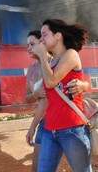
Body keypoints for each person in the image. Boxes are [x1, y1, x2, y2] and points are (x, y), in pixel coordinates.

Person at [25, 30, 90, 172]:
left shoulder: (56, 61)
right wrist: (35, 94)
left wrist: (83, 86)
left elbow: (83, 82)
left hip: (65, 123)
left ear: (41, 43)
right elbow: (27, 98)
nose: (28, 48)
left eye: (32, 44)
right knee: (37, 168)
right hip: (46, 124)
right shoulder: (30, 70)